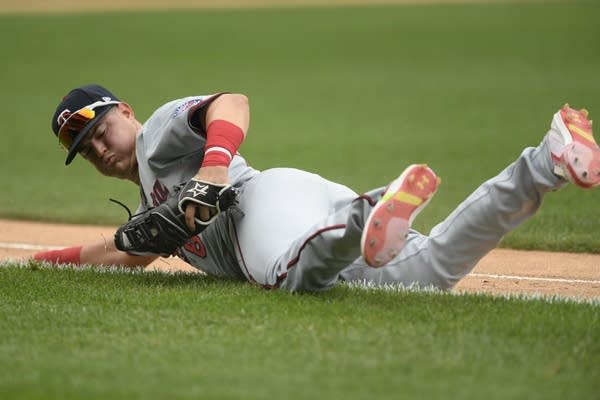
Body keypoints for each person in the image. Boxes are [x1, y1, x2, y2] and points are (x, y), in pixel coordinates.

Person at [33, 84, 600, 292]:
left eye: (100, 129)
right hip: (304, 208)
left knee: (287, 275)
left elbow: (232, 102)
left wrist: (213, 167)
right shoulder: (148, 206)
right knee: (433, 274)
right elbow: (120, 253)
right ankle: (546, 162)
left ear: (124, 112)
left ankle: (368, 212)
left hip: (264, 206)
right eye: (86, 149)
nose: (101, 148)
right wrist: (40, 261)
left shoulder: (157, 132)